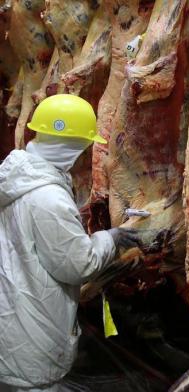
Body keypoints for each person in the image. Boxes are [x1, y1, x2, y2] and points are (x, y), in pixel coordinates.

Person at [0, 94, 143, 391]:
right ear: (70, 148)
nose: (83, 155)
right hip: (32, 327)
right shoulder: (48, 198)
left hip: (13, 309)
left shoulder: (16, 175)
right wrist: (110, 238)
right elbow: (78, 265)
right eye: (82, 147)